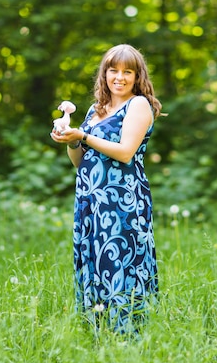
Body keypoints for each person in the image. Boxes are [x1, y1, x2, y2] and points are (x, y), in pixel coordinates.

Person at [50, 44, 162, 335]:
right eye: (114, 70)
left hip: (122, 200)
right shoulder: (95, 109)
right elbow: (79, 161)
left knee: (121, 263)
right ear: (105, 73)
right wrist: (71, 139)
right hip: (91, 201)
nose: (120, 77)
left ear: (137, 77)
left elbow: (125, 152)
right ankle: (98, 333)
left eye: (128, 72)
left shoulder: (138, 105)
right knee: (94, 260)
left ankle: (129, 335)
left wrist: (84, 135)